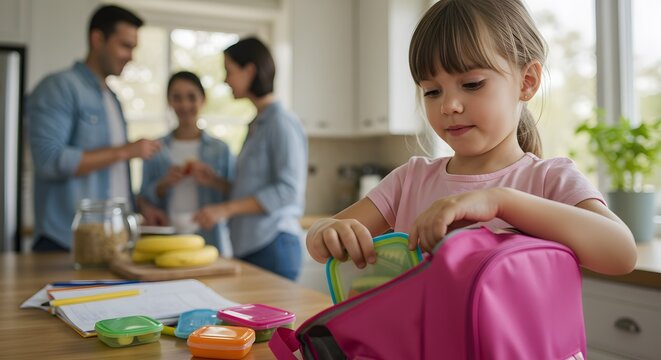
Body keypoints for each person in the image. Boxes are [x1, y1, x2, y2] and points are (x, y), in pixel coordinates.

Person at [306, 0, 637, 276]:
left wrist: (499, 201)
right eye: (432, 91)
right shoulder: (410, 180)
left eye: (472, 84)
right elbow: (320, 244)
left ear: (527, 81)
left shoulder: (549, 180)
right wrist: (325, 231)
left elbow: (621, 253)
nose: (449, 105)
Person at [28, 5, 162, 251]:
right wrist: (125, 151)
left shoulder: (112, 98)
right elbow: (48, 160)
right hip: (66, 244)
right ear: (97, 39)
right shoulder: (59, 87)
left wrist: (141, 207)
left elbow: (111, 177)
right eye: (125, 46)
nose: (131, 56)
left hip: (111, 242)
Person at [193, 37, 308, 280]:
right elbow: (252, 189)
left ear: (250, 70)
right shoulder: (257, 125)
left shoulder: (281, 123)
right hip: (252, 246)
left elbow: (288, 190)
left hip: (273, 245)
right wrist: (215, 182)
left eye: (229, 71)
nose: (226, 80)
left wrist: (224, 209)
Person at [139, 71, 234, 251]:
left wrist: (213, 180)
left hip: (210, 239)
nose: (184, 105)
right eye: (177, 98)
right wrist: (164, 183)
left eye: (191, 97)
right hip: (166, 237)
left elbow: (234, 194)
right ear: (169, 101)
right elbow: (143, 198)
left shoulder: (221, 150)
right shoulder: (155, 149)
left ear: (203, 100)